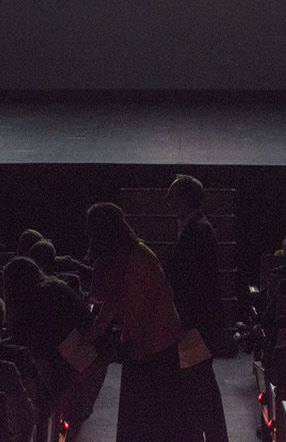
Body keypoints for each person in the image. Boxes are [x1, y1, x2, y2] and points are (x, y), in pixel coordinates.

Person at [86, 202, 195, 441]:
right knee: (146, 417)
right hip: (151, 344)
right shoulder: (131, 254)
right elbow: (116, 300)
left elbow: (137, 308)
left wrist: (111, 338)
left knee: (147, 418)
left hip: (155, 346)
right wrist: (97, 331)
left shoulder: (136, 259)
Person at [162, 176, 230, 442]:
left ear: (186, 197)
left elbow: (195, 283)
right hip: (198, 323)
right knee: (199, 386)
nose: (167, 200)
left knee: (199, 385)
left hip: (195, 325)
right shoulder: (198, 228)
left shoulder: (197, 231)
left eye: (172, 194)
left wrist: (182, 320)